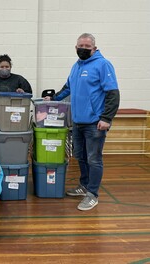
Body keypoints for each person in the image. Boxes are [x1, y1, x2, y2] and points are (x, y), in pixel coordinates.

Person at [44, 33, 120, 211]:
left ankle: (92, 194)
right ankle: (84, 185)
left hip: (95, 123)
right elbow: (68, 87)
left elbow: (113, 93)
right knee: (81, 157)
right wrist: (53, 98)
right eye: (81, 46)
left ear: (94, 48)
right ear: (75, 47)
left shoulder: (103, 64)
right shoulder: (76, 67)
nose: (83, 49)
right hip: (77, 122)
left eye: (87, 46)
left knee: (94, 159)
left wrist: (106, 118)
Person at [0, 54, 32, 122]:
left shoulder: (19, 80)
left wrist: (23, 94)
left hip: (14, 117)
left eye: (7, 66)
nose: (4, 69)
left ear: (10, 67)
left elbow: (28, 95)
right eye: (2, 67)